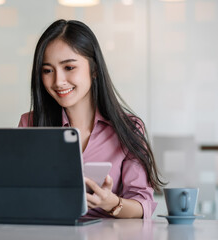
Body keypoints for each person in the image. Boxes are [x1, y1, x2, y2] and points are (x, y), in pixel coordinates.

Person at [18, 19, 165, 219]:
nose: (58, 81)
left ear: (94, 69)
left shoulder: (128, 128)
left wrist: (111, 203)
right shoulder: (30, 124)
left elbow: (143, 205)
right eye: (47, 70)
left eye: (69, 67)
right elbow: (18, 194)